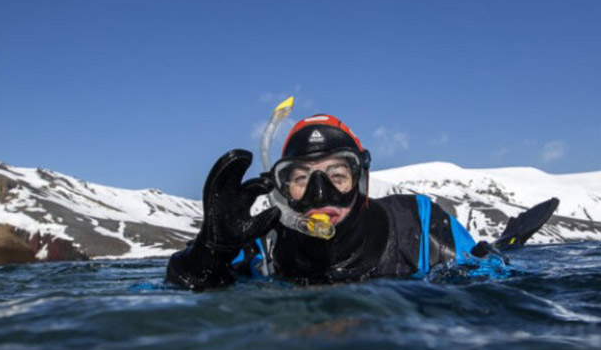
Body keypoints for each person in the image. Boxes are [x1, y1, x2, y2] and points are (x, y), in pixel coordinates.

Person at [166, 114, 556, 290]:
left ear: (361, 179)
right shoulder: (263, 242)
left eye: (338, 175)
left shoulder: (419, 226)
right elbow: (182, 287)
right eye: (300, 178)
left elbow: (491, 285)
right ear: (281, 188)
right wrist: (211, 250)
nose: (321, 195)